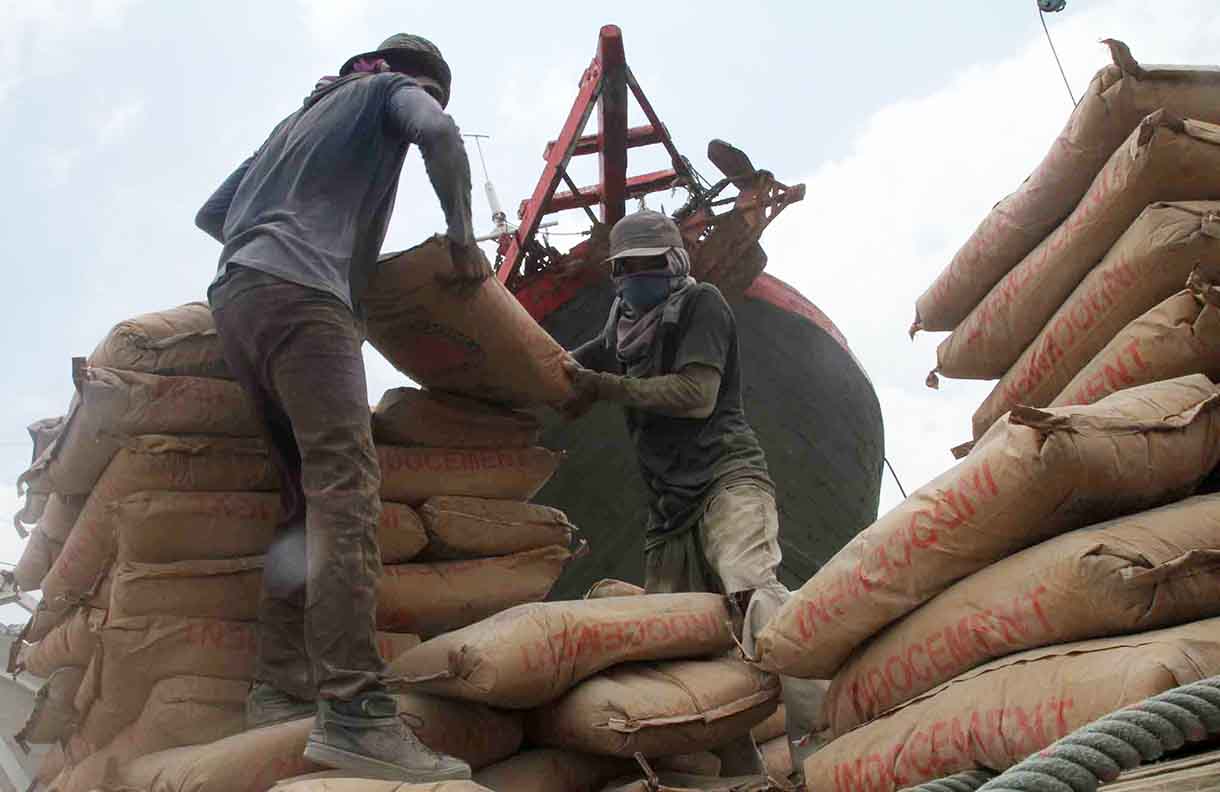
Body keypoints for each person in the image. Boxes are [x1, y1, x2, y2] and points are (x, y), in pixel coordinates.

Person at [195, 34, 488, 782]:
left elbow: (215, 213)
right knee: (348, 496)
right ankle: (356, 712)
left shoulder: (298, 118)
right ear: (419, 78)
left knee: (302, 504)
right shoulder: (389, 91)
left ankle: (276, 688)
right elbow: (440, 135)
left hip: (239, 297)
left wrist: (288, 219)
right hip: (305, 302)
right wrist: (461, 240)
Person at [563, 210, 824, 775]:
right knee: (678, 646)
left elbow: (696, 393)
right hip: (669, 506)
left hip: (726, 476)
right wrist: (544, 370)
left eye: (648, 266)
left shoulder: (701, 303)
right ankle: (743, 773)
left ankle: (818, 743)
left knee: (752, 588)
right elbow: (589, 358)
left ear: (674, 262)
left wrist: (603, 387)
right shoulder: (623, 318)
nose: (637, 278)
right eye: (625, 269)